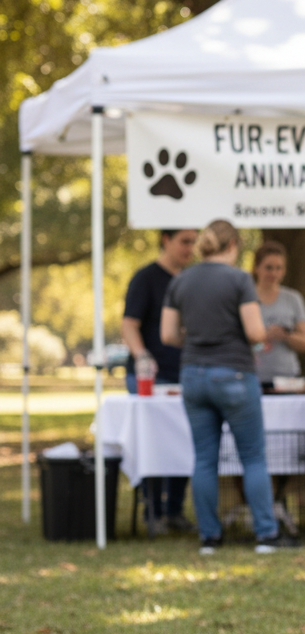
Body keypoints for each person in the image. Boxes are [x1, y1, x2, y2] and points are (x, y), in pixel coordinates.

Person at [161, 220, 300, 555]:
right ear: (233, 245)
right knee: (252, 457)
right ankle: (266, 534)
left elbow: (168, 335)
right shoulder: (239, 279)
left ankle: (209, 537)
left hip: (193, 374)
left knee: (204, 460)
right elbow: (255, 332)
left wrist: (198, 338)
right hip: (235, 374)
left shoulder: (181, 280)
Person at [121, 228, 197, 533]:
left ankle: (174, 510)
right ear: (166, 240)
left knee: (183, 439)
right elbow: (129, 324)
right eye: (184, 241)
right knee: (152, 441)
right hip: (150, 377)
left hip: (183, 373)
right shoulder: (146, 278)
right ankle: (151, 510)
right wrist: (142, 356)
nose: (190, 248)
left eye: (194, 242)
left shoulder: (189, 279)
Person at [252, 240, 305, 391]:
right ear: (256, 267)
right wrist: (261, 336)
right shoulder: (246, 298)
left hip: (287, 378)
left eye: (279, 268)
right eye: (268, 268)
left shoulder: (293, 298)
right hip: (252, 376)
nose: (274, 273)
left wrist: (285, 335)